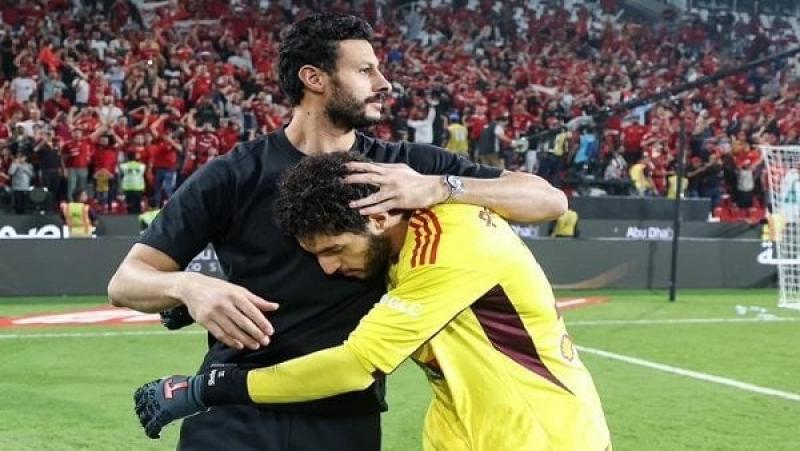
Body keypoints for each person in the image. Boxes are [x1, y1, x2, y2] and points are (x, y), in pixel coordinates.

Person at [109, 13, 566, 451]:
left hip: (344, 414)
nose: (384, 83)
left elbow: (548, 199)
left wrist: (441, 186)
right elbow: (127, 281)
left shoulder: (407, 168)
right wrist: (187, 287)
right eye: (366, 70)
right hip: (234, 415)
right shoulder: (234, 175)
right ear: (314, 78)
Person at [133, 152, 609, 450]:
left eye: (334, 250)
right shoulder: (399, 241)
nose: (328, 267)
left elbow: (353, 367)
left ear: (379, 218)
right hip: (467, 431)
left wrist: (209, 389)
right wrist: (192, 292)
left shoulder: (450, 249)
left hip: (540, 437)